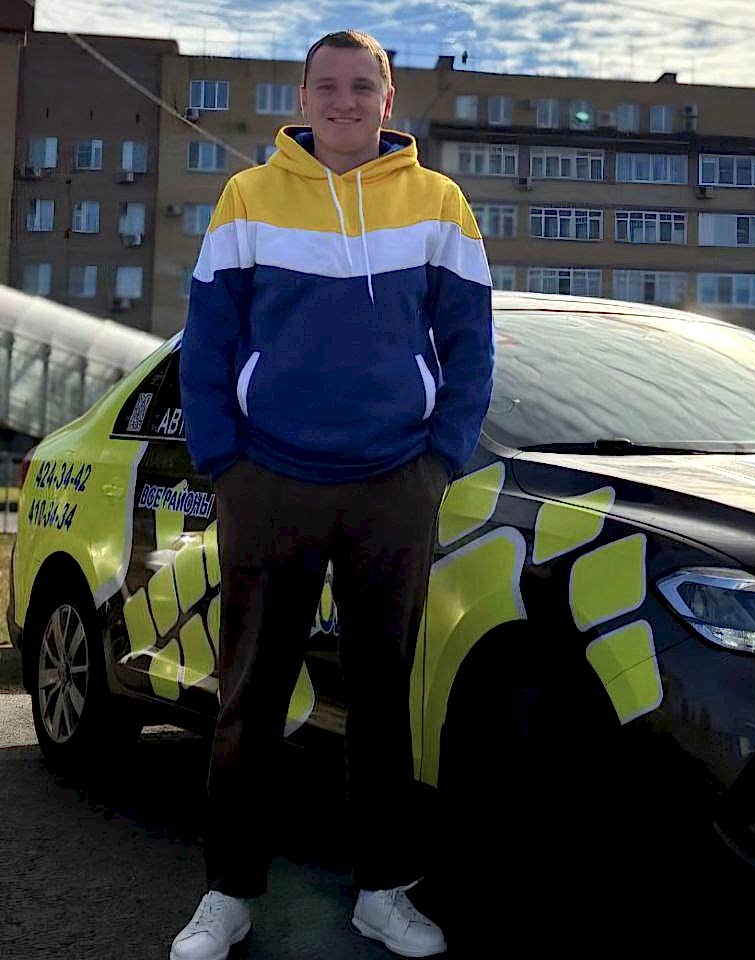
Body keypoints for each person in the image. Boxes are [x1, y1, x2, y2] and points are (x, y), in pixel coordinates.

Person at [171, 28, 494, 960]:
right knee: (251, 691)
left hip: (394, 482)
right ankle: (229, 893)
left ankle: (382, 892)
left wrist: (439, 460)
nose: (345, 101)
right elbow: (207, 341)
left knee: (383, 698)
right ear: (303, 98)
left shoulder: (439, 203)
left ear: (388, 103)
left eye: (362, 87)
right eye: (328, 86)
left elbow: (471, 345)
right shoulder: (248, 197)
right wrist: (226, 462)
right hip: (269, 479)